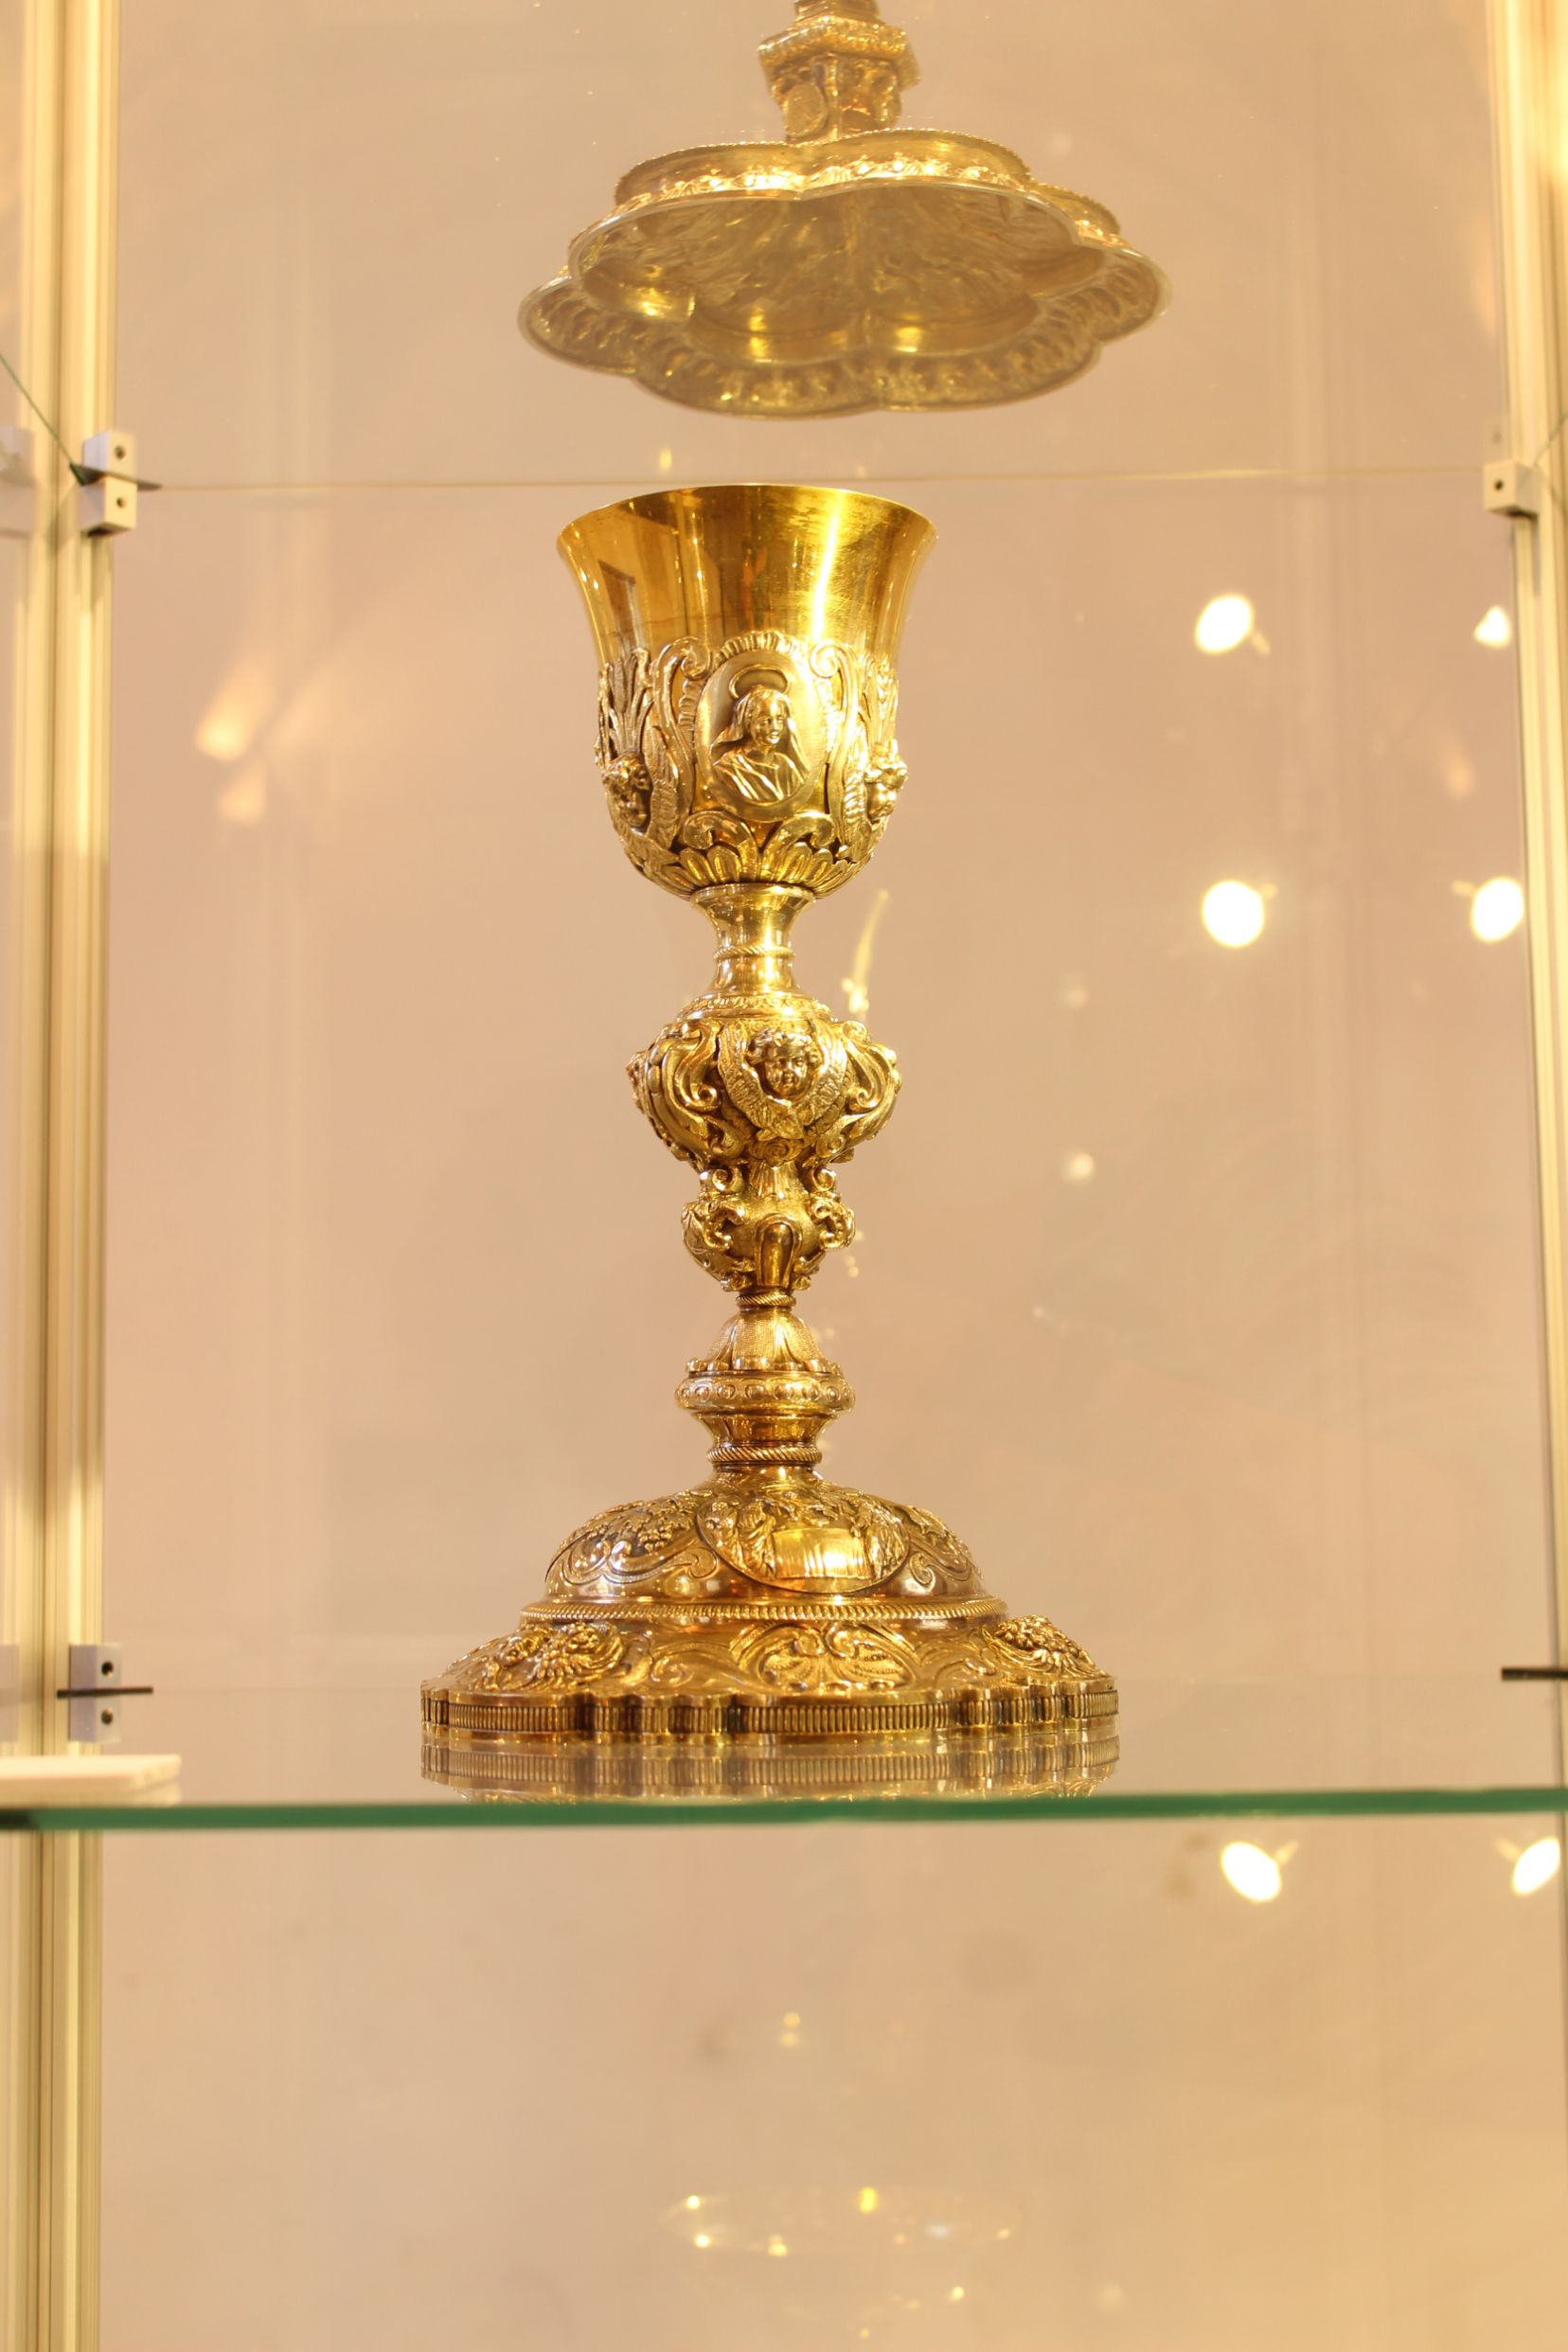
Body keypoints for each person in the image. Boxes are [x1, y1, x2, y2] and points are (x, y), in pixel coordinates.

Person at [710, 678, 809, 811]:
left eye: (779, 720)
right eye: (765, 721)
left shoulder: (786, 766)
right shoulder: (728, 767)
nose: (775, 728)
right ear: (748, 723)